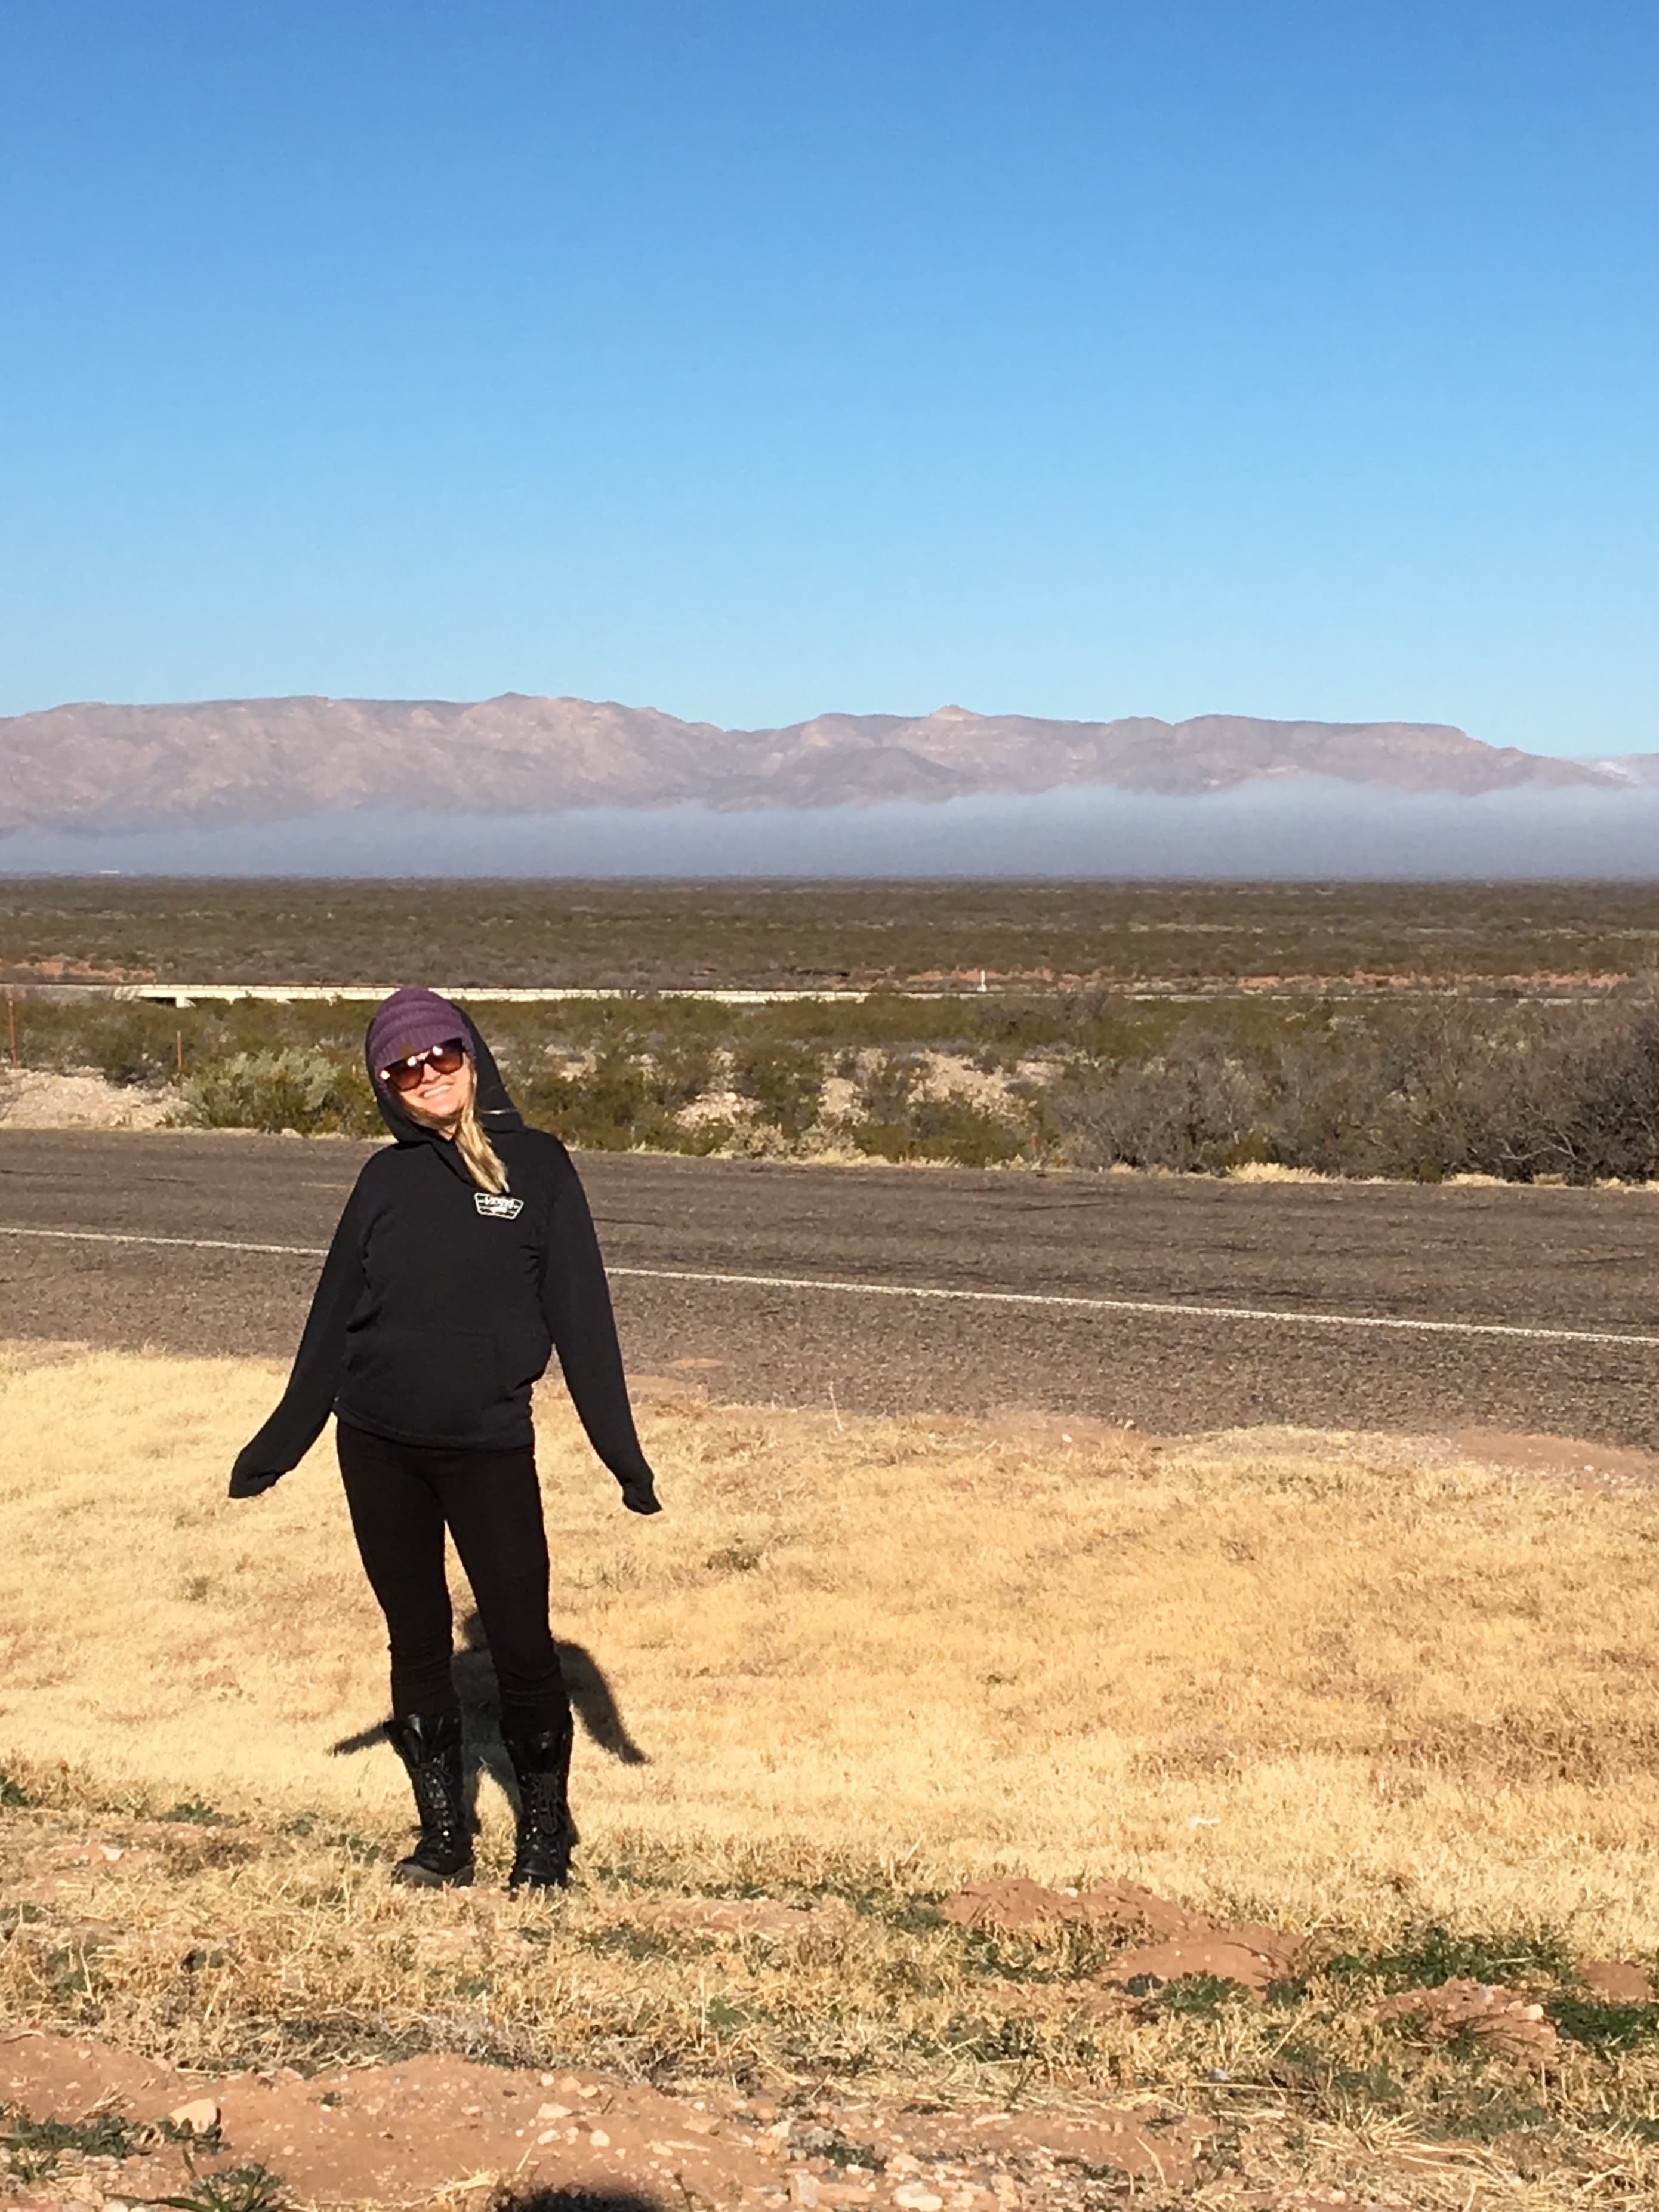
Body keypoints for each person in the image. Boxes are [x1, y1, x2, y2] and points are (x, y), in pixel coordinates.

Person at [228, 987, 661, 1891]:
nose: (428, 1075)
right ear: (385, 1083)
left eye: (443, 1056)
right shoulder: (382, 1180)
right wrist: (281, 1440)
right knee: (416, 1638)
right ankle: (444, 1838)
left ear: (472, 1055)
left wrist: (621, 1452)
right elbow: (332, 1322)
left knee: (521, 1640)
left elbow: (583, 1318)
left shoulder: (536, 1168)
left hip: (487, 1449)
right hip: (377, 1444)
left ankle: (545, 1835)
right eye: (405, 1065)